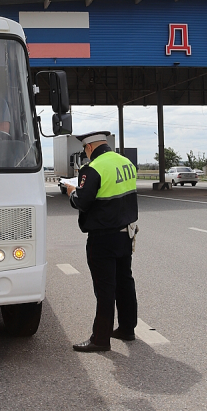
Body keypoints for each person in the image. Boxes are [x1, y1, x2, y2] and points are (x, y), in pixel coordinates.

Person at [64, 131, 138, 352]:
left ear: (88, 148)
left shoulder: (93, 168)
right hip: (126, 233)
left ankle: (100, 339)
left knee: (105, 289)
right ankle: (127, 328)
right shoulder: (126, 163)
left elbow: (83, 202)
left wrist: (70, 192)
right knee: (125, 282)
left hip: (103, 237)